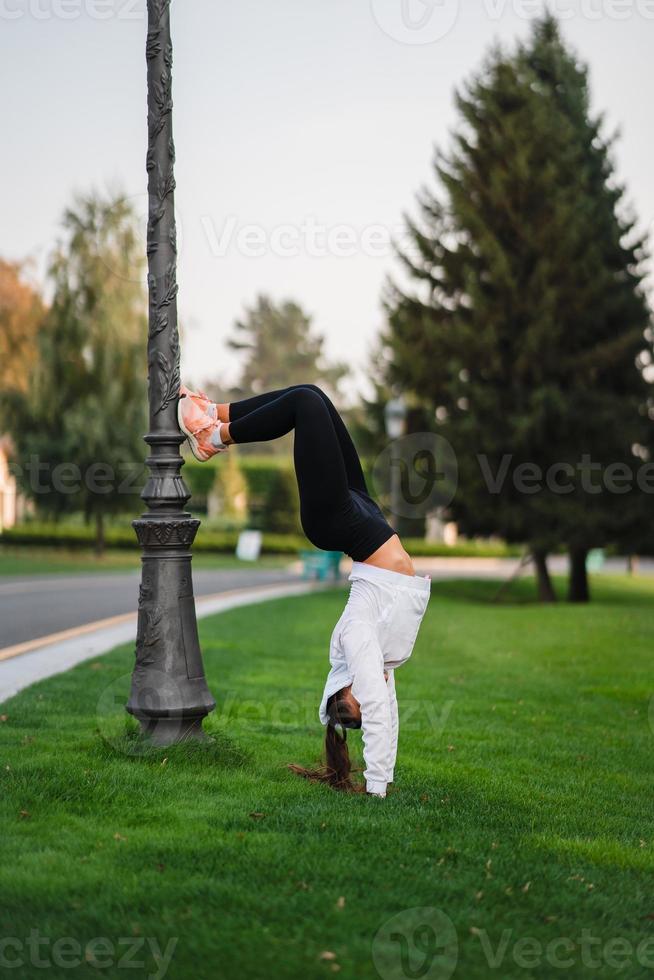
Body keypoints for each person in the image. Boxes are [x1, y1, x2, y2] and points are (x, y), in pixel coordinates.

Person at [178, 383, 430, 797]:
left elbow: (380, 716)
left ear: (342, 689)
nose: (372, 700)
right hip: (364, 521)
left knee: (305, 405)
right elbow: (389, 714)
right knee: (314, 394)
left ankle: (214, 436)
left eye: (358, 703)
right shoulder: (387, 660)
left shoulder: (358, 639)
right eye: (367, 707)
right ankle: (215, 412)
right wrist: (386, 774)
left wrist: (377, 787)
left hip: (338, 521)